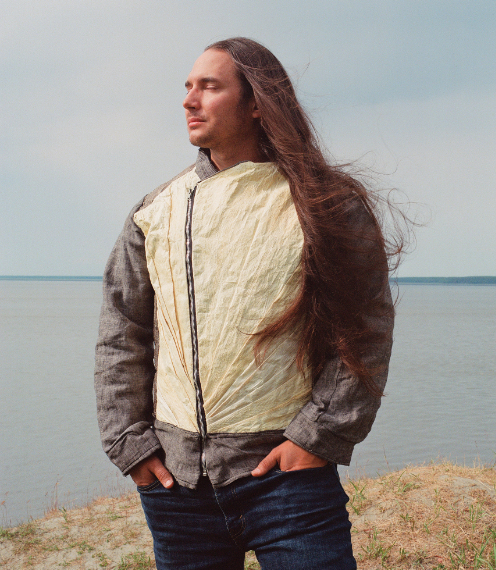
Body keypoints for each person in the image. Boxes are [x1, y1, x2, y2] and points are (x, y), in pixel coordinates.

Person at [95, 37, 399, 570]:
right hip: (178, 485)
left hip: (289, 480)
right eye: (188, 87)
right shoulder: (154, 212)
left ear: (257, 102)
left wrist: (318, 437)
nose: (190, 99)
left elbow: (363, 330)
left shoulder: (325, 206)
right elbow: (123, 332)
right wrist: (131, 445)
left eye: (209, 86)